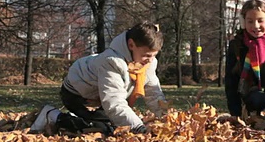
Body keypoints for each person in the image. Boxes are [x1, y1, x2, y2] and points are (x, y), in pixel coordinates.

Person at [30, 21, 167, 135]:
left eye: (154, 55)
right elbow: (113, 102)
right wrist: (139, 127)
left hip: (100, 97)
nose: (150, 60)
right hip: (77, 94)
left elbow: (153, 92)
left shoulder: (147, 62)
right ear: (131, 45)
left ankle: (80, 118)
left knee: (116, 125)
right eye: (147, 55)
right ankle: (54, 115)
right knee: (101, 129)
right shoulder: (111, 61)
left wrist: (165, 117)